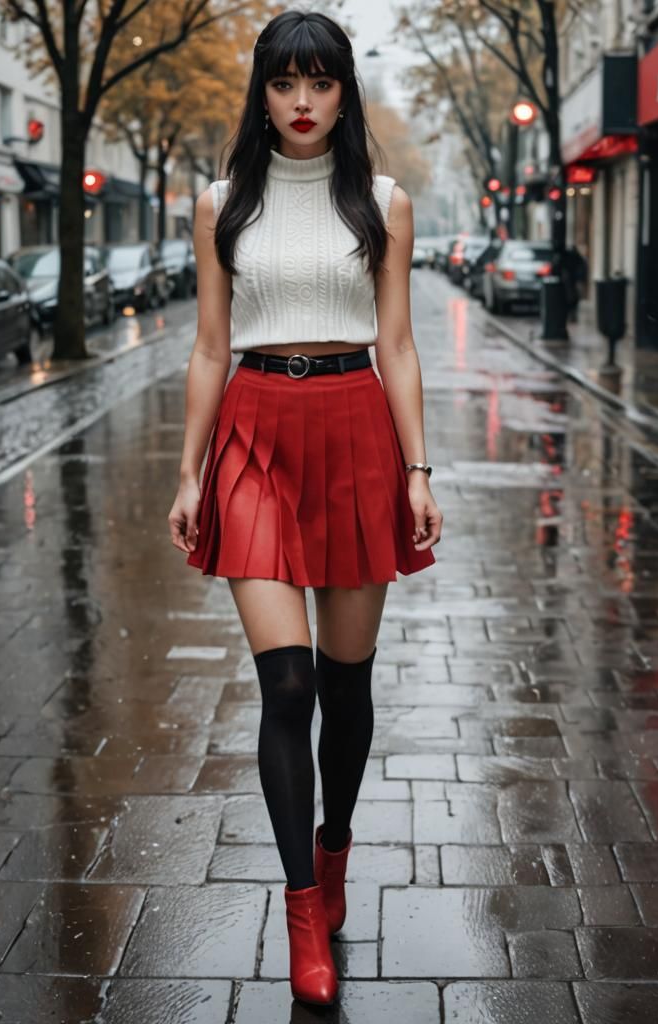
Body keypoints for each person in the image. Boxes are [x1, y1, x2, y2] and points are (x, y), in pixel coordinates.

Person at [166, 10, 442, 1007]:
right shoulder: (220, 202)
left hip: (355, 429)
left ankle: (334, 853)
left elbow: (399, 345)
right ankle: (298, 911)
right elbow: (206, 347)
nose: (302, 102)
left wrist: (419, 468)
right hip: (253, 430)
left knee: (345, 683)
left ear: (342, 92)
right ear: (262, 91)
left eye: (320, 83)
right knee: (284, 688)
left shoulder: (381, 201)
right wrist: (191, 470)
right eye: (285, 83)